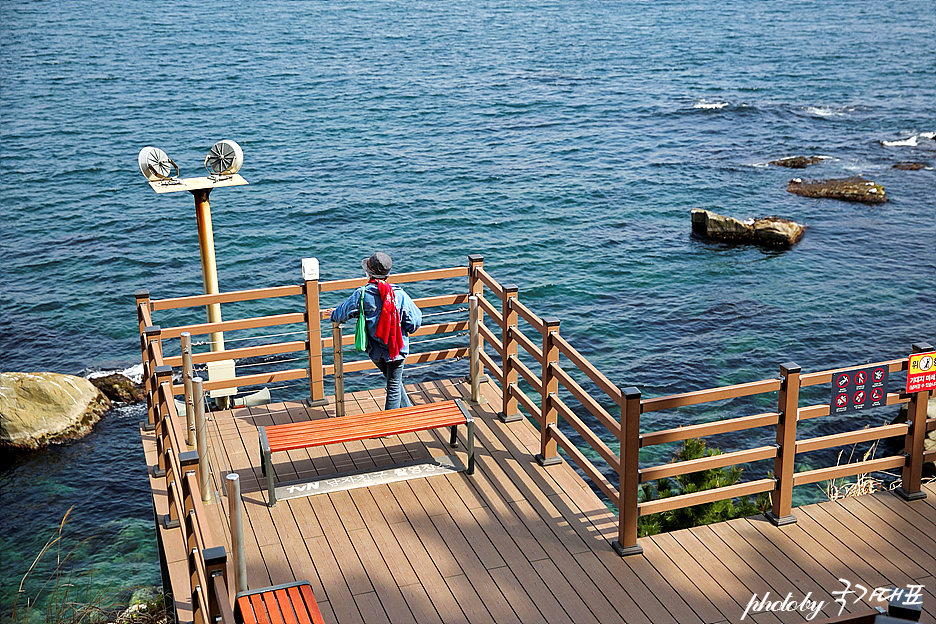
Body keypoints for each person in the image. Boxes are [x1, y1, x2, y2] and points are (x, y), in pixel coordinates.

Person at [329, 252, 422, 410]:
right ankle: (399, 419)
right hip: (397, 349)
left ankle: (400, 417)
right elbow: (415, 322)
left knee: (393, 382)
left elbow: (340, 315)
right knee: (393, 383)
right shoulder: (399, 294)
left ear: (368, 273)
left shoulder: (362, 294)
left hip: (376, 351)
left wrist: (332, 314)